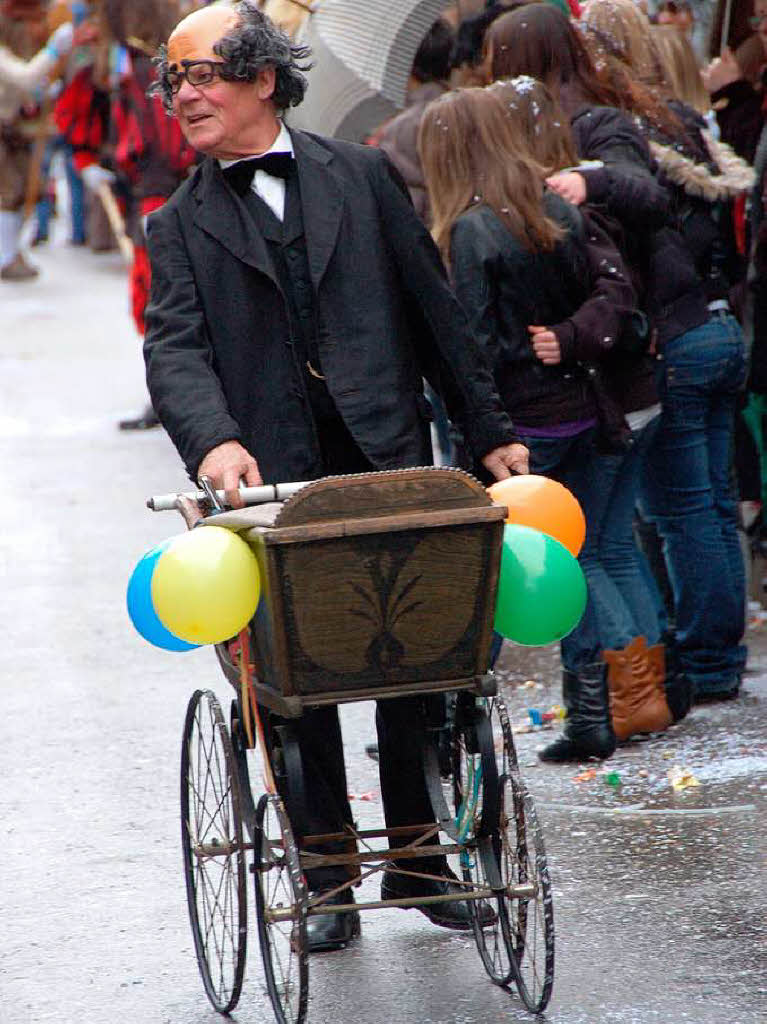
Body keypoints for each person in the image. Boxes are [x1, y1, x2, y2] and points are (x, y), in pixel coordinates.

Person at [144, 1, 528, 952]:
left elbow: (434, 313)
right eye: (173, 81)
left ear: (263, 79)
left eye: (202, 75)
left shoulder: (359, 176)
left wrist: (488, 432)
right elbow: (176, 353)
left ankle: (420, 861)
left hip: (384, 453)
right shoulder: (177, 224)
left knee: (414, 660)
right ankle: (325, 877)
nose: (183, 95)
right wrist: (213, 442)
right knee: (293, 679)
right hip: (266, 477)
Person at [581, 0, 750, 704]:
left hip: (678, 336)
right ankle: (721, 657)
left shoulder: (619, 141)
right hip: (718, 326)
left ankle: (706, 664)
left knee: (683, 514)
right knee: (710, 507)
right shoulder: (677, 118)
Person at [0, 3, 77, 280]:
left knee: (25, 188)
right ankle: (5, 257)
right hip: (3, 130)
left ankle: (10, 251)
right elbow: (22, 77)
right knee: (7, 192)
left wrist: (43, 89)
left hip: (13, 129)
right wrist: (52, 52)